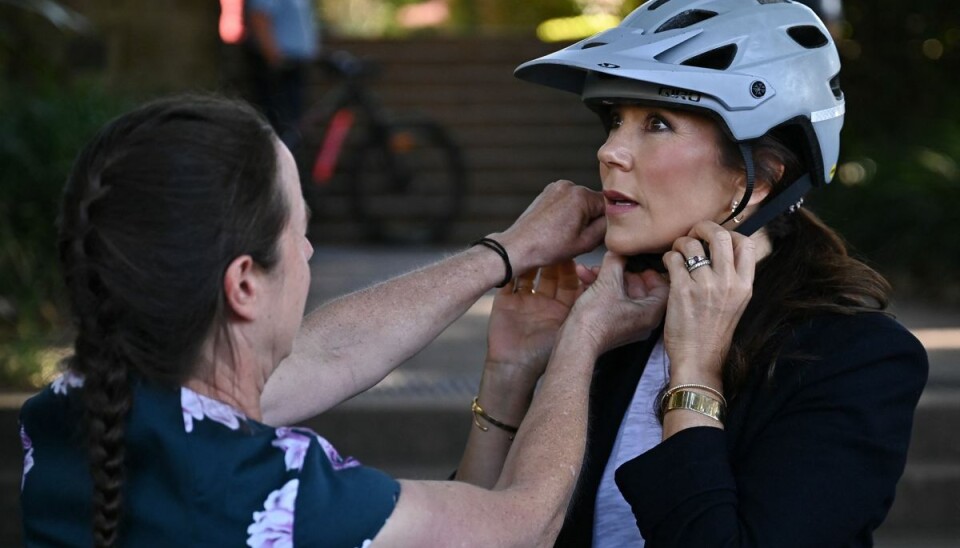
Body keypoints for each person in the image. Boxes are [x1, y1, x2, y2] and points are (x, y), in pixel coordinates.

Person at [18, 94, 670, 546]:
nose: (307, 252)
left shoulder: (71, 416)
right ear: (245, 283)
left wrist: (507, 256)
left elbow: (326, 355)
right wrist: (582, 337)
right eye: (301, 231)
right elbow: (520, 527)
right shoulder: (272, 491)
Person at [463, 0, 927, 546]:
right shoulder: (616, 321)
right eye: (615, 120)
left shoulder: (855, 359)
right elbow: (473, 533)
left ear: (758, 180)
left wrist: (695, 376)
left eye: (656, 123)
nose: (609, 150)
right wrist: (510, 375)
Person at [243, 0, 320, 149]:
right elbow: (259, 17)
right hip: (278, 69)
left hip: (294, 66)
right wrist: (275, 59)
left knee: (292, 123)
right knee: (277, 124)